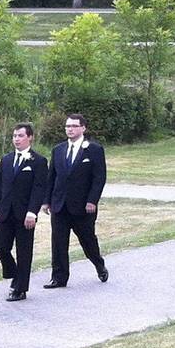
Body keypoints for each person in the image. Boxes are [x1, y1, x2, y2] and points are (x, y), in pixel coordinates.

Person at [41, 113, 108, 288]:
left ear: (83, 128)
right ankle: (59, 277)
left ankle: (98, 264)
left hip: (83, 206)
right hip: (60, 205)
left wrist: (92, 201)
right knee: (58, 242)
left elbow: (99, 178)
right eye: (67, 126)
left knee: (87, 240)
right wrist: (46, 201)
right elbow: (51, 177)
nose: (70, 129)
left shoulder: (93, 149)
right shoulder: (58, 150)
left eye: (73, 126)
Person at [0, 122, 48, 302]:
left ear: (30, 137)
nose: (16, 139)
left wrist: (32, 212)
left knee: (24, 252)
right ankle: (14, 273)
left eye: (20, 136)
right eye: (14, 136)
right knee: (0, 247)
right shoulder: (6, 160)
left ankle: (20, 288)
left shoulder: (38, 161)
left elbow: (39, 189)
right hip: (5, 213)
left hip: (25, 215)